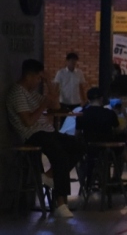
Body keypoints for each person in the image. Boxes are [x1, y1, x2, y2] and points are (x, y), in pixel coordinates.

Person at [6, 59, 84, 217]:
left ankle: (49, 175)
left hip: (48, 131)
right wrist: (43, 105)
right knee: (60, 155)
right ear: (29, 76)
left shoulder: (32, 93)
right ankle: (61, 203)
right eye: (38, 79)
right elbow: (28, 122)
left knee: (78, 145)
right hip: (33, 134)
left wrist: (49, 82)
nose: (38, 82)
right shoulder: (17, 92)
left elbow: (55, 106)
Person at [76, 87, 127, 181]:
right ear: (101, 99)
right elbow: (117, 130)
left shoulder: (81, 114)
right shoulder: (109, 113)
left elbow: (77, 134)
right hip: (108, 149)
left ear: (88, 100)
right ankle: (117, 177)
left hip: (89, 149)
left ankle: (94, 178)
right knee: (121, 145)